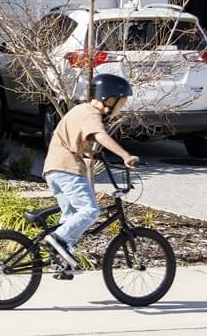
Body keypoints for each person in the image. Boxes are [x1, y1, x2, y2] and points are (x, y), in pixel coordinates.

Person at [41, 73, 140, 277]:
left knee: (71, 217)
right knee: (90, 210)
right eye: (121, 104)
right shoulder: (91, 114)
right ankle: (56, 239)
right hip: (67, 169)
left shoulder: (80, 110)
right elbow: (99, 135)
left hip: (54, 169)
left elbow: (72, 138)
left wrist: (89, 153)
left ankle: (60, 262)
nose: (121, 109)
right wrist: (125, 155)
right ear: (109, 100)